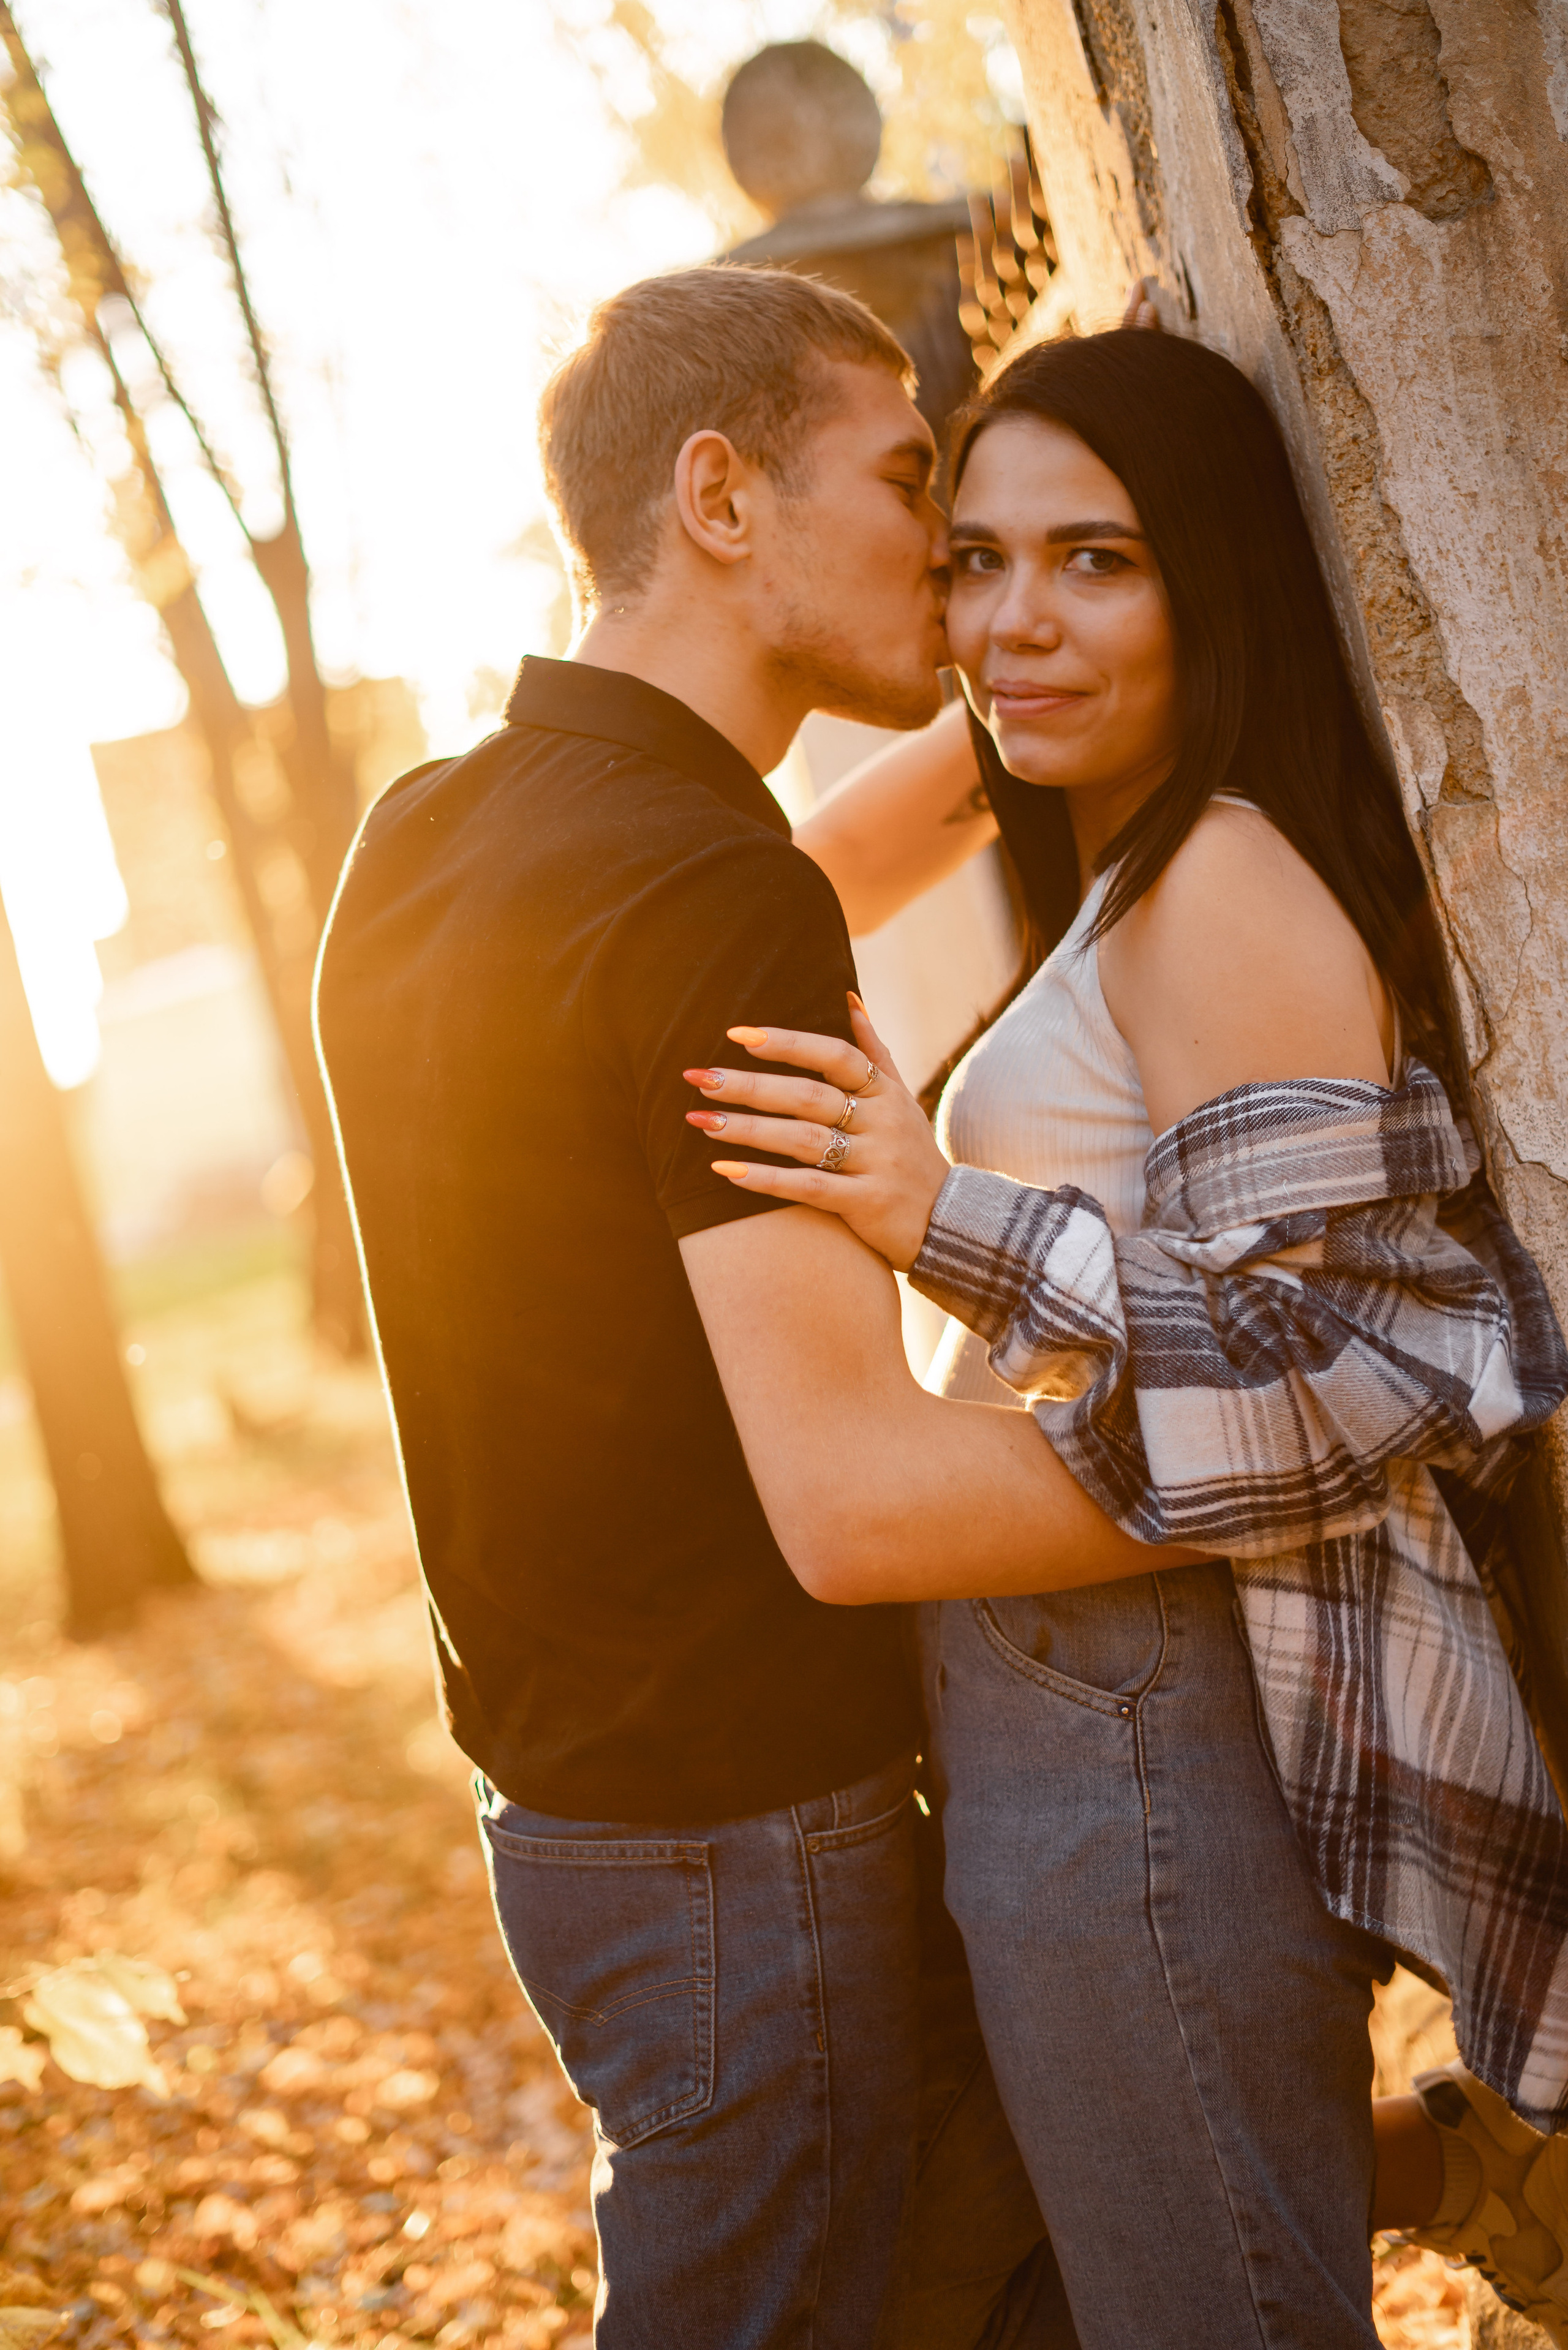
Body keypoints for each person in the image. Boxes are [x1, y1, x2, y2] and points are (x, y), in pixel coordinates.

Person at [314, 267, 1211, 2350]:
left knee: (1030, 2277)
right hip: (758, 1863)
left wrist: (1059, 673)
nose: (952, 546)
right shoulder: (707, 897)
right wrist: (1297, 1453)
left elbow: (745, 903)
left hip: (591, 1835)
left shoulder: (436, 840)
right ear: (721, 498)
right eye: (916, 485)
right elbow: (859, 1505)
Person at [671, 328, 1568, 2346]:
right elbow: (771, 880)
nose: (1014, 619)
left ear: (1214, 580)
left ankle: (1467, 2158)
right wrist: (991, 697)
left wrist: (941, 1218)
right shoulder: (1118, 860)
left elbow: (1356, 1362)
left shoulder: (1224, 882)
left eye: (1099, 560)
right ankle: (1457, 2163)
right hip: (1064, 1711)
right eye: (972, 558)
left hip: (1144, 1729)